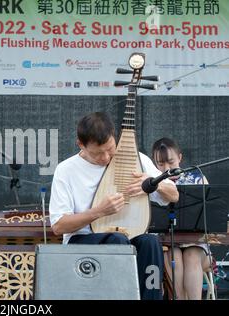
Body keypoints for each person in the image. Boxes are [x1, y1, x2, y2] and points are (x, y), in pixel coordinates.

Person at [49, 112, 179, 300]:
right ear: (80, 145)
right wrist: (98, 211)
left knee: (150, 242)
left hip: (128, 237)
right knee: (117, 242)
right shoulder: (66, 170)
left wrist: (152, 184)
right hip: (84, 240)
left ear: (115, 138)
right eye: (98, 153)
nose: (106, 157)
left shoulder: (136, 159)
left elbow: (174, 195)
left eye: (110, 148)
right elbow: (59, 226)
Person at [151, 137, 211, 300]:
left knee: (191, 254)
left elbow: (210, 215)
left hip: (198, 250)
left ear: (180, 157)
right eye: (160, 164)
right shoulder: (153, 184)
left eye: (171, 161)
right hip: (169, 246)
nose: (167, 168)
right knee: (174, 256)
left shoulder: (198, 178)